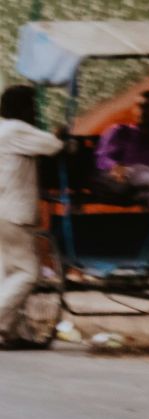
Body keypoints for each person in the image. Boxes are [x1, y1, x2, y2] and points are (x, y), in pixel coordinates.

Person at [0, 84, 62, 338]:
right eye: (32, 107)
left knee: (9, 273)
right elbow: (53, 146)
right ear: (23, 108)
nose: (35, 112)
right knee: (28, 273)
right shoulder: (17, 129)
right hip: (14, 211)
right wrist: (60, 134)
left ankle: (11, 329)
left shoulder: (3, 129)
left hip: (4, 209)